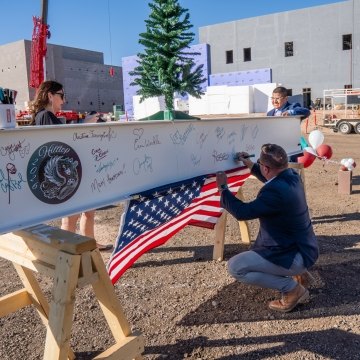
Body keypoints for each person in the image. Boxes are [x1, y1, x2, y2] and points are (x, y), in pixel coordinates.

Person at [216, 144, 318, 313]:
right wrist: (249, 163)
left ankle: (292, 289)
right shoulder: (292, 175)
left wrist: (223, 189)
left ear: (265, 167)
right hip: (307, 249)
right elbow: (272, 178)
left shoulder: (273, 193)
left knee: (236, 267)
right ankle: (300, 274)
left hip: (292, 256)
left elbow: (242, 212)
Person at [30, 80, 113, 251]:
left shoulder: (46, 116)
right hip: (62, 176)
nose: (64, 100)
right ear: (50, 95)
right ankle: (65, 252)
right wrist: (84, 125)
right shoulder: (45, 115)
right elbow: (59, 144)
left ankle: (90, 244)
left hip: (65, 173)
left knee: (88, 210)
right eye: (61, 95)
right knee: (71, 217)